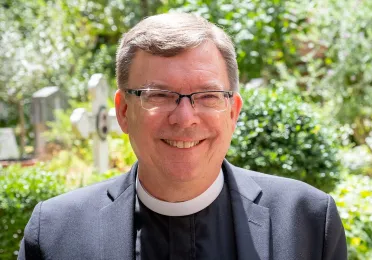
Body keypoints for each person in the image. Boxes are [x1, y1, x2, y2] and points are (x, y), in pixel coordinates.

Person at [18, 12, 347, 260]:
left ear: (233, 112)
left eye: (207, 95)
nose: (185, 118)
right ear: (123, 112)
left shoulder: (309, 221)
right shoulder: (54, 233)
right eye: (158, 95)